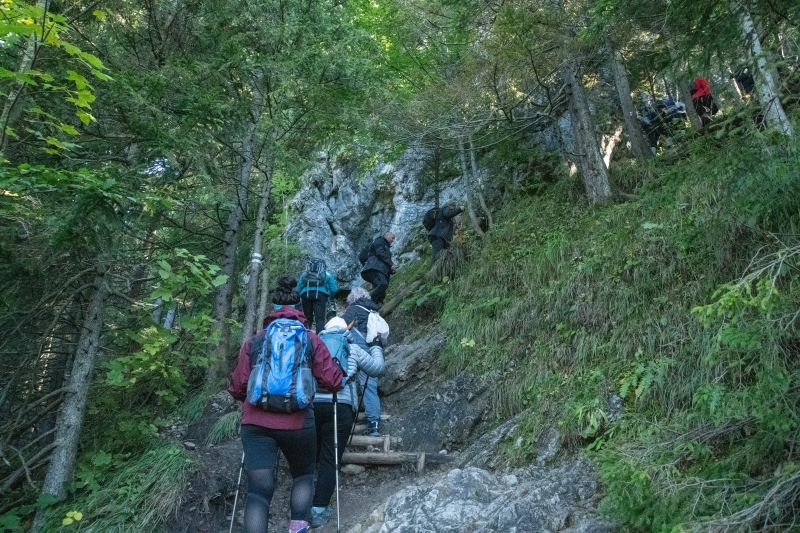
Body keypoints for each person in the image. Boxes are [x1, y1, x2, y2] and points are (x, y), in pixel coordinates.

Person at [227, 276, 344, 533]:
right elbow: (333, 381)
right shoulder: (311, 339)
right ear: (300, 310)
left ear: (273, 310)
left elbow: (237, 387)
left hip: (256, 423)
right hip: (298, 422)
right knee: (303, 475)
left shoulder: (256, 341)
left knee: (258, 491)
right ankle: (297, 529)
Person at [310, 316, 386, 529]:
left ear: (325, 330)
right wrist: (376, 346)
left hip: (312, 405)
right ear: (346, 331)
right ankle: (318, 510)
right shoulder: (352, 348)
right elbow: (377, 368)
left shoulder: (313, 346)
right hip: (340, 406)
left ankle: (300, 506)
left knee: (311, 454)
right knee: (330, 458)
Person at [342, 287, 383, 437]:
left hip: (355, 350)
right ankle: (374, 425)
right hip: (372, 350)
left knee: (349, 383)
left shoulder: (352, 310)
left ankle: (347, 419)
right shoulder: (374, 311)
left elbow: (342, 328)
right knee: (370, 387)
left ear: (352, 299)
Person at [296, 259, 338, 334]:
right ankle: (319, 338)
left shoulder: (305, 274)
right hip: (320, 295)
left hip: (306, 294)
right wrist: (329, 296)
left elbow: (298, 288)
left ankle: (306, 336)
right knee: (320, 319)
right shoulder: (326, 274)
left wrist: (300, 296)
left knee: (307, 318)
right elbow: (334, 289)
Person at [360, 232, 395, 305]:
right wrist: (391, 264)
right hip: (374, 268)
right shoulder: (379, 241)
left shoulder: (386, 247)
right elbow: (380, 253)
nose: (393, 240)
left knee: (380, 289)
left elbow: (384, 260)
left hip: (377, 269)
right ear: (387, 235)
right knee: (383, 284)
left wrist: (391, 269)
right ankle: (367, 297)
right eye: (392, 238)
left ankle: (376, 305)